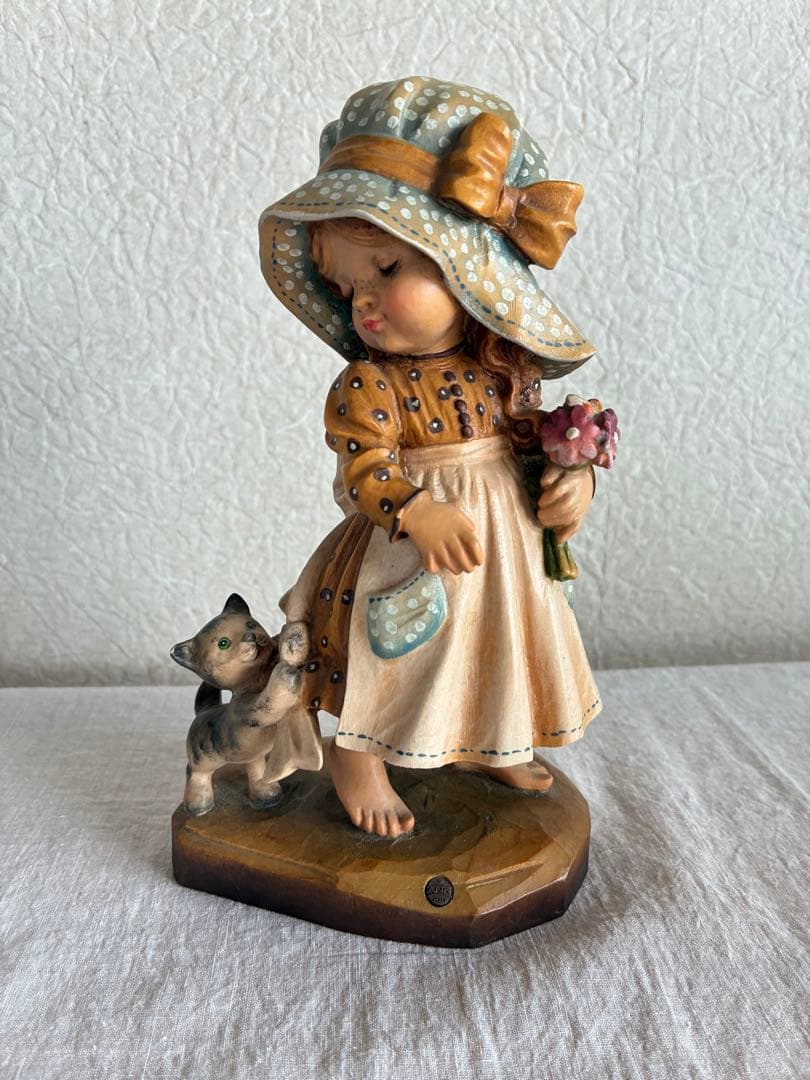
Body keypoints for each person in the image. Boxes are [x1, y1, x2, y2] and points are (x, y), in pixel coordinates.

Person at [259, 76, 604, 837]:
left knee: (494, 642)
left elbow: (533, 440)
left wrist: (569, 480)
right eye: (346, 287)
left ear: (465, 271)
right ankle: (359, 756)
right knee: (398, 654)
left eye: (386, 271)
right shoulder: (369, 385)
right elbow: (364, 467)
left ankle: (490, 739)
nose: (363, 303)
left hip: (503, 546)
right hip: (408, 546)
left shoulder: (499, 371)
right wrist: (415, 509)